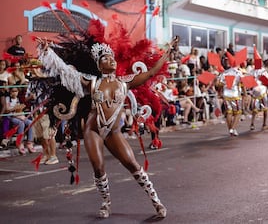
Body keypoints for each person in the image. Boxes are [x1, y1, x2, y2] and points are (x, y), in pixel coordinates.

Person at [37, 38, 174, 219]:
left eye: (112, 58)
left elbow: (150, 74)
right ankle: (106, 203)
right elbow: (64, 70)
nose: (111, 60)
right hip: (93, 130)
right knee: (98, 168)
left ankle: (156, 202)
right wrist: (48, 52)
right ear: (99, 66)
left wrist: (167, 53)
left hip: (113, 133)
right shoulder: (92, 82)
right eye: (106, 59)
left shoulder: (125, 83)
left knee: (132, 164)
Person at [4, 86, 36, 155]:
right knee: (21, 124)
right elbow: (7, 110)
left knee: (30, 122)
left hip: (19, 115)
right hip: (11, 116)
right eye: (13, 91)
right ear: (10, 92)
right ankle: (19, 143)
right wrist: (15, 108)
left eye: (16, 91)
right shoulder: (8, 99)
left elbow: (21, 109)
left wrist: (21, 114)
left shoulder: (18, 99)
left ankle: (29, 142)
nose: (14, 93)